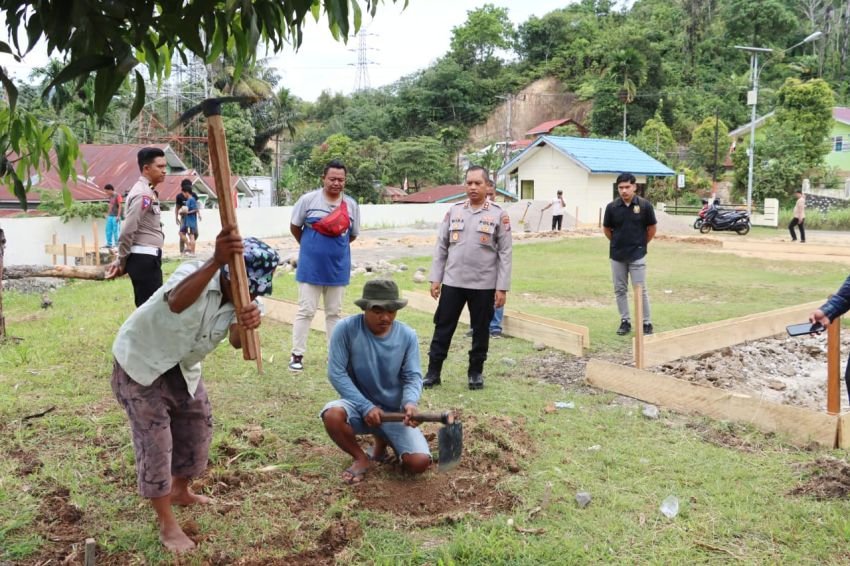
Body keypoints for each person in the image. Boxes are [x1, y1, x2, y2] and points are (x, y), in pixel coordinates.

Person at [111, 227, 279, 553]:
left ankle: (180, 490)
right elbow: (174, 302)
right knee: (156, 441)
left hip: (182, 367)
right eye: (244, 288)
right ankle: (166, 523)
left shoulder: (250, 298)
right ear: (228, 275)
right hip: (142, 361)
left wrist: (248, 326)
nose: (249, 296)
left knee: (196, 425)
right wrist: (216, 260)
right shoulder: (196, 273)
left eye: (257, 292)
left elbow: (236, 343)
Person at [320, 279, 431, 485]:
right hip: (357, 404)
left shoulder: (407, 335)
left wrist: (410, 404)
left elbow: (413, 376)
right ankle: (361, 458)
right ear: (365, 308)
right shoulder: (346, 329)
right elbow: (336, 373)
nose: (386, 317)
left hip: (394, 412)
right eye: (378, 310)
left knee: (419, 463)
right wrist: (365, 406)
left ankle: (382, 443)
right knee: (332, 415)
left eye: (392, 310)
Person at [425, 166, 513, 390]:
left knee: (481, 330)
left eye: (478, 183)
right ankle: (433, 372)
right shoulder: (454, 211)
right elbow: (441, 247)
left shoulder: (498, 214)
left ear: (487, 186)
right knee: (442, 328)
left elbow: (505, 253)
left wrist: (501, 288)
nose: (473, 187)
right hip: (453, 282)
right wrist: (436, 278)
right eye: (469, 183)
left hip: (483, 285)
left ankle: (475, 372)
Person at [288, 159, 360, 372]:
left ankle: (334, 357)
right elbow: (295, 227)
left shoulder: (352, 205)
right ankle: (297, 355)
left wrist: (333, 250)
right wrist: (311, 247)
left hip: (338, 268)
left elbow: (352, 235)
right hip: (310, 267)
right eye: (332, 179)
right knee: (306, 311)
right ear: (323, 179)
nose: (336, 183)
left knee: (334, 313)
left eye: (341, 180)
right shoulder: (308, 200)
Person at [106, 147, 167, 307]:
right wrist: (121, 260)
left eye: (164, 166)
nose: (164, 171)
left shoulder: (148, 191)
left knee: (151, 309)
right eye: (159, 167)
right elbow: (127, 230)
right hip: (143, 258)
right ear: (146, 168)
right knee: (150, 311)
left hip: (147, 257)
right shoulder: (143, 194)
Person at [603, 172, 657, 336]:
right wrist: (618, 243)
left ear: (634, 187)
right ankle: (625, 321)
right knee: (620, 289)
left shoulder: (645, 206)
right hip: (617, 255)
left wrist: (641, 245)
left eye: (627, 187)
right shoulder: (611, 207)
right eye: (621, 188)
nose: (624, 191)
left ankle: (646, 322)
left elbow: (652, 228)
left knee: (640, 289)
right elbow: (607, 229)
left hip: (637, 255)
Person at [180, 184, 200, 256]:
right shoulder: (188, 200)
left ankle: (192, 252)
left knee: (191, 236)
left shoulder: (192, 199)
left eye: (183, 193)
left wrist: (187, 212)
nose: (183, 195)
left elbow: (195, 209)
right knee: (181, 233)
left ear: (187, 192)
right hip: (186, 221)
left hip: (190, 222)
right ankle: (188, 246)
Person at [175, 179, 192, 255]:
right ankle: (182, 251)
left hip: (192, 217)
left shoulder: (193, 195)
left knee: (194, 234)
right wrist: (176, 217)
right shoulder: (179, 196)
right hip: (183, 218)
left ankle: (190, 248)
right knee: (182, 233)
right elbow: (177, 207)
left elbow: (196, 207)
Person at [104, 183, 122, 250]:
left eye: (106, 191)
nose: (106, 193)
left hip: (115, 216)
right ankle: (109, 244)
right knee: (108, 230)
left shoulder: (118, 195)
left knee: (115, 230)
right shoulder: (110, 197)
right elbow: (110, 206)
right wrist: (107, 214)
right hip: (110, 216)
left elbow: (120, 206)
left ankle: (117, 244)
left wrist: (118, 216)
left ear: (110, 190)